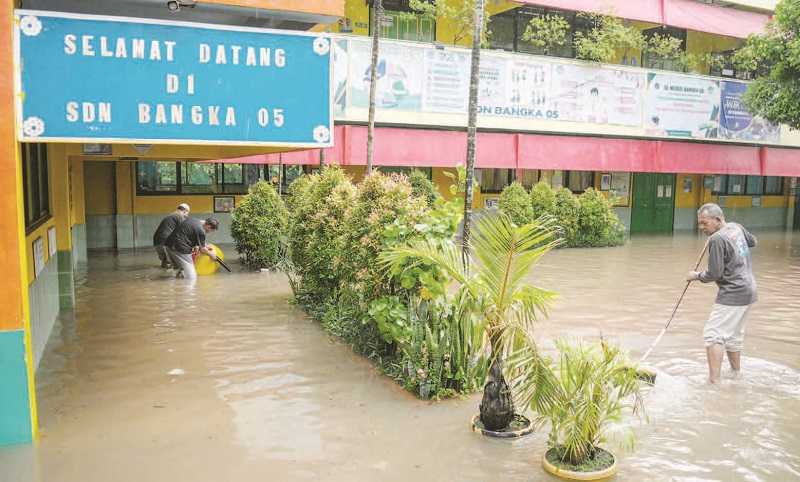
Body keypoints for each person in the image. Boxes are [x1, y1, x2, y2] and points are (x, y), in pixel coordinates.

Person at [687, 203, 757, 384]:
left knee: (713, 335)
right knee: (733, 336)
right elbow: (753, 242)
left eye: (705, 223)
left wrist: (696, 276)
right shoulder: (736, 227)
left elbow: (714, 274)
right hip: (749, 290)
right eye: (699, 224)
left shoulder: (717, 239)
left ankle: (714, 382)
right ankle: (736, 374)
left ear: (718, 220)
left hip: (733, 292)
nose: (702, 228)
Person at [153, 203, 190, 268]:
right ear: (185, 211)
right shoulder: (179, 216)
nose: (186, 216)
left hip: (157, 242)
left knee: (165, 263)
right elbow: (184, 232)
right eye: (187, 214)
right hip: (165, 242)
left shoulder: (170, 216)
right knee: (176, 264)